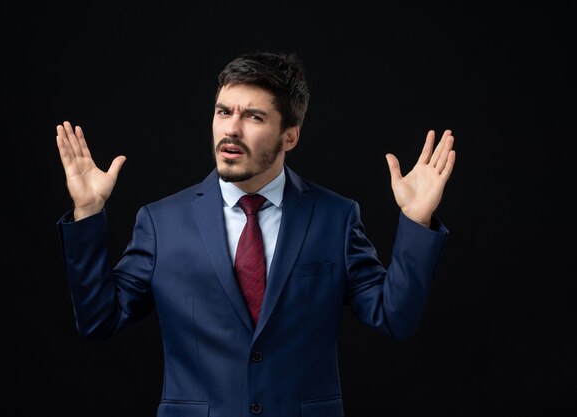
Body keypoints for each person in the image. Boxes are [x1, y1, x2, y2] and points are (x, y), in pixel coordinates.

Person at [55, 51, 455, 417]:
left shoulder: (335, 217)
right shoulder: (162, 223)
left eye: (254, 117)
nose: (231, 129)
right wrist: (88, 212)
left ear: (290, 136)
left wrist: (416, 223)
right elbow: (98, 320)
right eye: (223, 111)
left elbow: (395, 318)